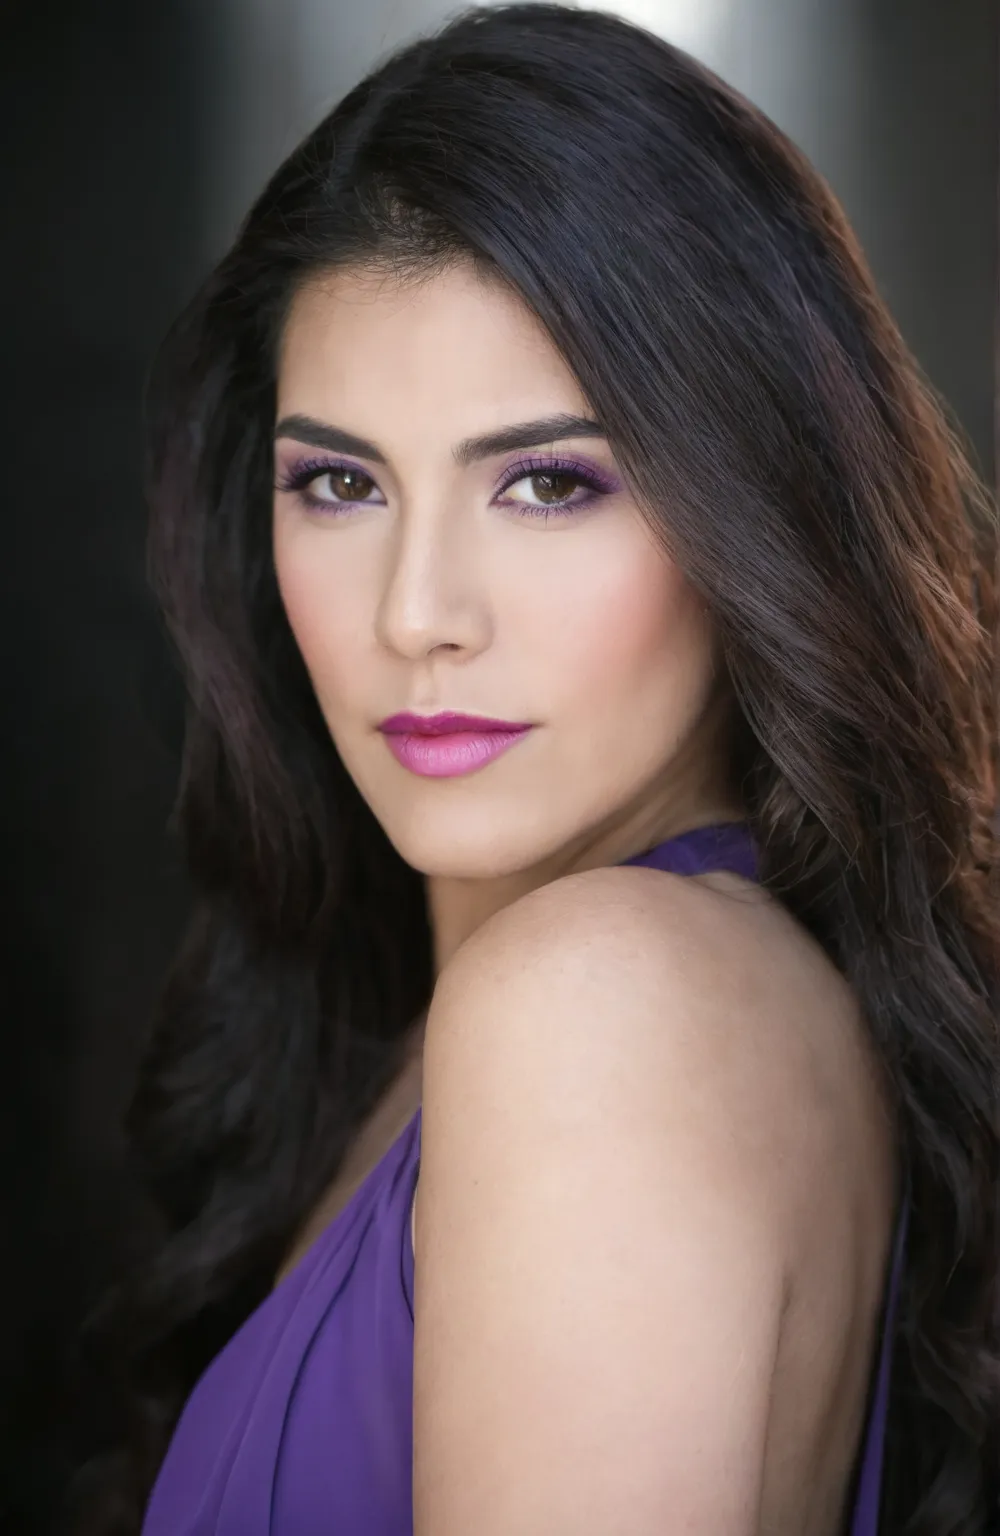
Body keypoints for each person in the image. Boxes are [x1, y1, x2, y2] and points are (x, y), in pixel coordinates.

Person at [75, 5, 998, 1534]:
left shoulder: (594, 1006)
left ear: (744, 511)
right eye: (340, 482)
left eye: (549, 483)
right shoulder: (637, 994)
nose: (417, 613)